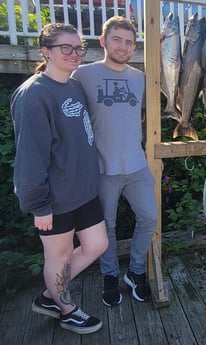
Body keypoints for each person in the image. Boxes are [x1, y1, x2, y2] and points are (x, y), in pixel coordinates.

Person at [10, 23, 109, 334]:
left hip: (83, 191)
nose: (74, 53)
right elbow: (30, 155)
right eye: (65, 47)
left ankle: (50, 296)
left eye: (78, 47)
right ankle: (66, 309)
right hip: (54, 198)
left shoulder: (73, 85)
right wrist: (39, 205)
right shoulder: (33, 94)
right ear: (45, 51)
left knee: (97, 245)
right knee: (59, 256)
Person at [72, 16, 157, 307]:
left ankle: (135, 272)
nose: (123, 46)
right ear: (103, 40)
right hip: (102, 169)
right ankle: (110, 275)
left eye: (129, 42)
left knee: (149, 218)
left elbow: (147, 115)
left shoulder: (140, 77)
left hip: (136, 165)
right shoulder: (82, 75)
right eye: (117, 39)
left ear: (135, 46)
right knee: (105, 226)